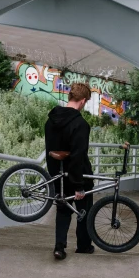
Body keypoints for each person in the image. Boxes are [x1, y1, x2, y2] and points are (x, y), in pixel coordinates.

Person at [44, 83, 95, 260]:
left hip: (58, 174)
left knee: (63, 210)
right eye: (86, 102)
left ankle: (59, 247)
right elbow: (78, 157)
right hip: (79, 175)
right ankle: (84, 246)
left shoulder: (51, 120)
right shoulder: (81, 124)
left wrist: (54, 176)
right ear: (82, 101)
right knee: (84, 210)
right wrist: (79, 186)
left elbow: (49, 150)